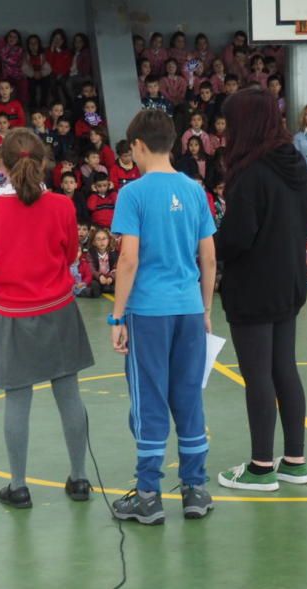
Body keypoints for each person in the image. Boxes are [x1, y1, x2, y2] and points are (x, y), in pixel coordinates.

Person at [0, 128, 95, 509]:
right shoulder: (62, 205)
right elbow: (71, 253)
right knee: (69, 395)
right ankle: (79, 479)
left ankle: (19, 486)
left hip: (15, 313)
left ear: (2, 166)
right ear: (44, 163)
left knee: (17, 400)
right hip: (58, 309)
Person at [109, 108, 217, 524]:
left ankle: (149, 494)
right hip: (189, 309)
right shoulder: (194, 191)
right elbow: (208, 257)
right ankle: (194, 489)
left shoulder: (132, 194)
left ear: (137, 145)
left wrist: (118, 318)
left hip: (148, 313)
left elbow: (129, 259)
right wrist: (205, 309)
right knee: (189, 396)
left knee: (149, 397)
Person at [213, 87, 307, 491]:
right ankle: (294, 460)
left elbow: (237, 237)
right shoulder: (295, 165)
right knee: (283, 367)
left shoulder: (250, 173)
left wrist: (204, 247)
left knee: (257, 376)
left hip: (253, 286)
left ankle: (259, 467)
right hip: (289, 282)